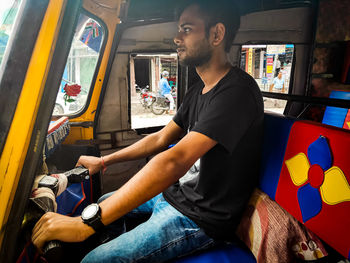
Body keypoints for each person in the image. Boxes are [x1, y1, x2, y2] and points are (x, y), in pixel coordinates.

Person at [32, 0, 264, 262]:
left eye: (186, 29)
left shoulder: (238, 93)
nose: (176, 38)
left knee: (94, 260)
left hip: (201, 218)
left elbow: (175, 159)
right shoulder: (197, 92)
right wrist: (105, 160)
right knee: (106, 199)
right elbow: (161, 138)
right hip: (176, 196)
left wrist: (84, 225)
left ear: (216, 34)